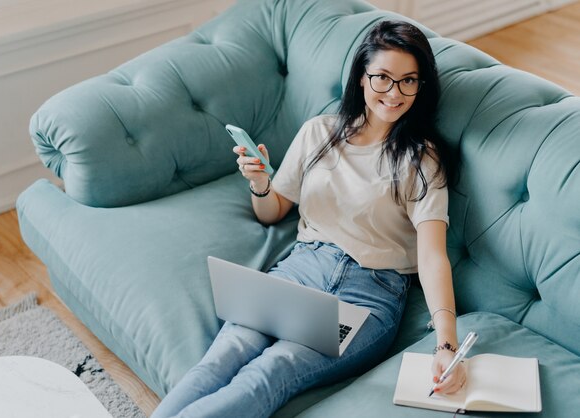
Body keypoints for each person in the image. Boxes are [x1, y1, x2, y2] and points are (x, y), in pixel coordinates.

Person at [151, 20, 464, 418]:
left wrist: (446, 344)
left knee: (271, 372)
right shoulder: (318, 133)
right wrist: (261, 183)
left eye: (409, 81)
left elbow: (433, 257)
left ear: (421, 87)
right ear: (361, 78)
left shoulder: (422, 159)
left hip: (368, 294)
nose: (395, 93)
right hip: (299, 271)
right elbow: (272, 211)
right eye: (382, 78)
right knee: (221, 358)